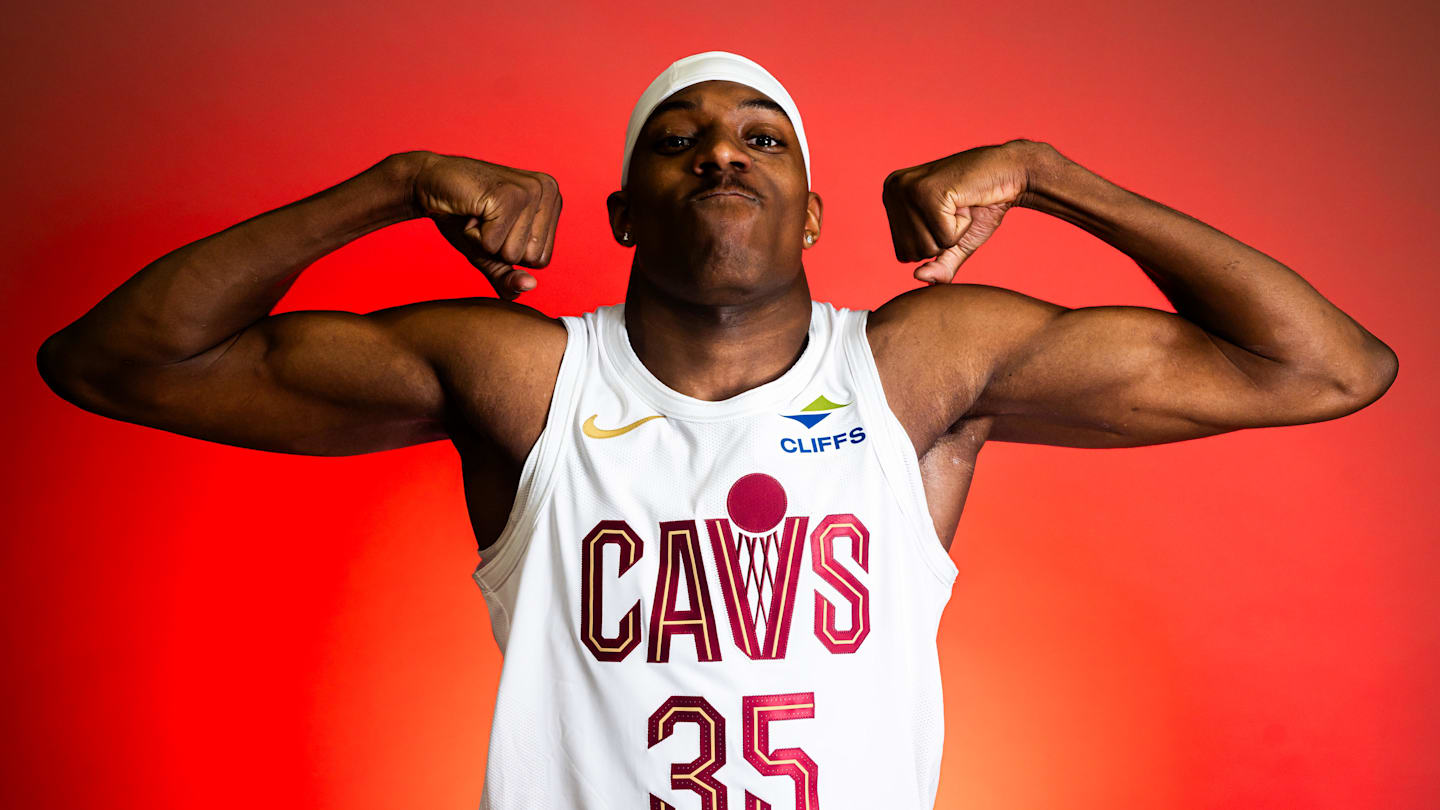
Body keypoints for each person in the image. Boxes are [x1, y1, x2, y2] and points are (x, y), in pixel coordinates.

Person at [36, 51, 1396, 809]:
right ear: (625, 212)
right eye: (680, 140)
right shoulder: (525, 380)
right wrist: (388, 188)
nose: (722, 154)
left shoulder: (918, 372)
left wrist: (1052, 176)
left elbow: (1326, 367)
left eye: (762, 138)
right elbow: (114, 361)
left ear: (811, 213)